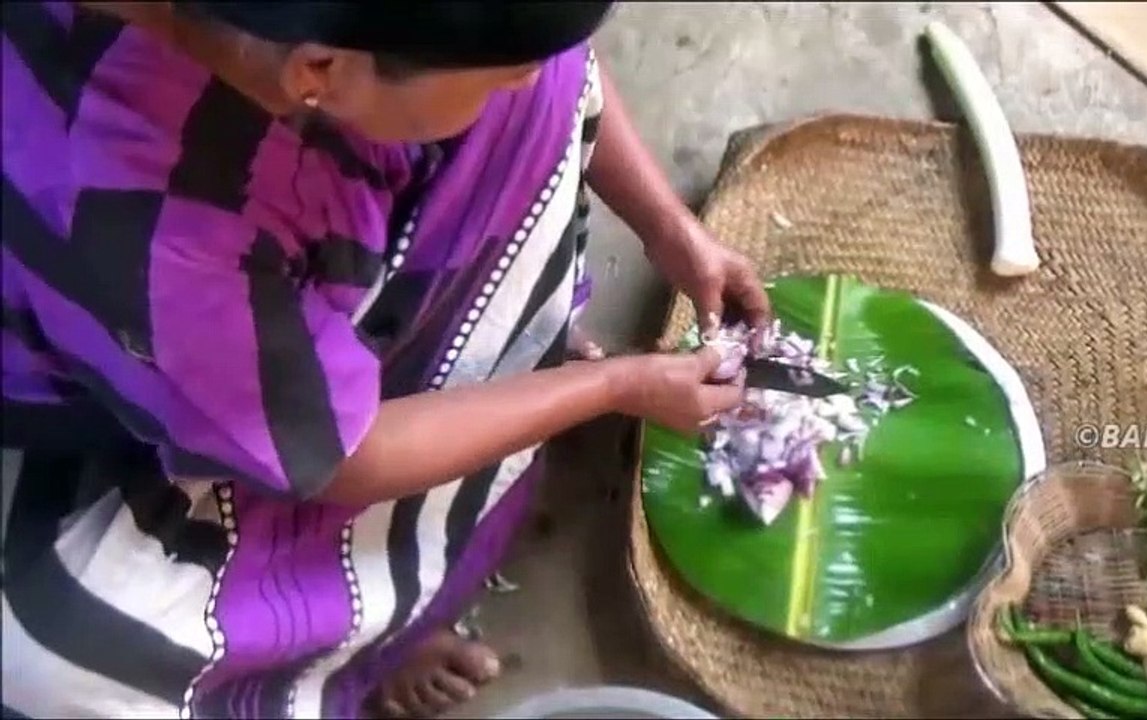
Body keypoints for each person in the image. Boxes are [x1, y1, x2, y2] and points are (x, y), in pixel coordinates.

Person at [1, 2, 772, 718]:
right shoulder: (167, 228)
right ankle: (347, 649)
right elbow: (350, 457)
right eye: (510, 68)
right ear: (321, 73)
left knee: (529, 98)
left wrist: (669, 228)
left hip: (280, 249)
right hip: (149, 366)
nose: (545, 72)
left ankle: (397, 596)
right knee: (69, 663)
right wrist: (611, 385)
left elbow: (560, 64)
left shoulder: (309, 41)